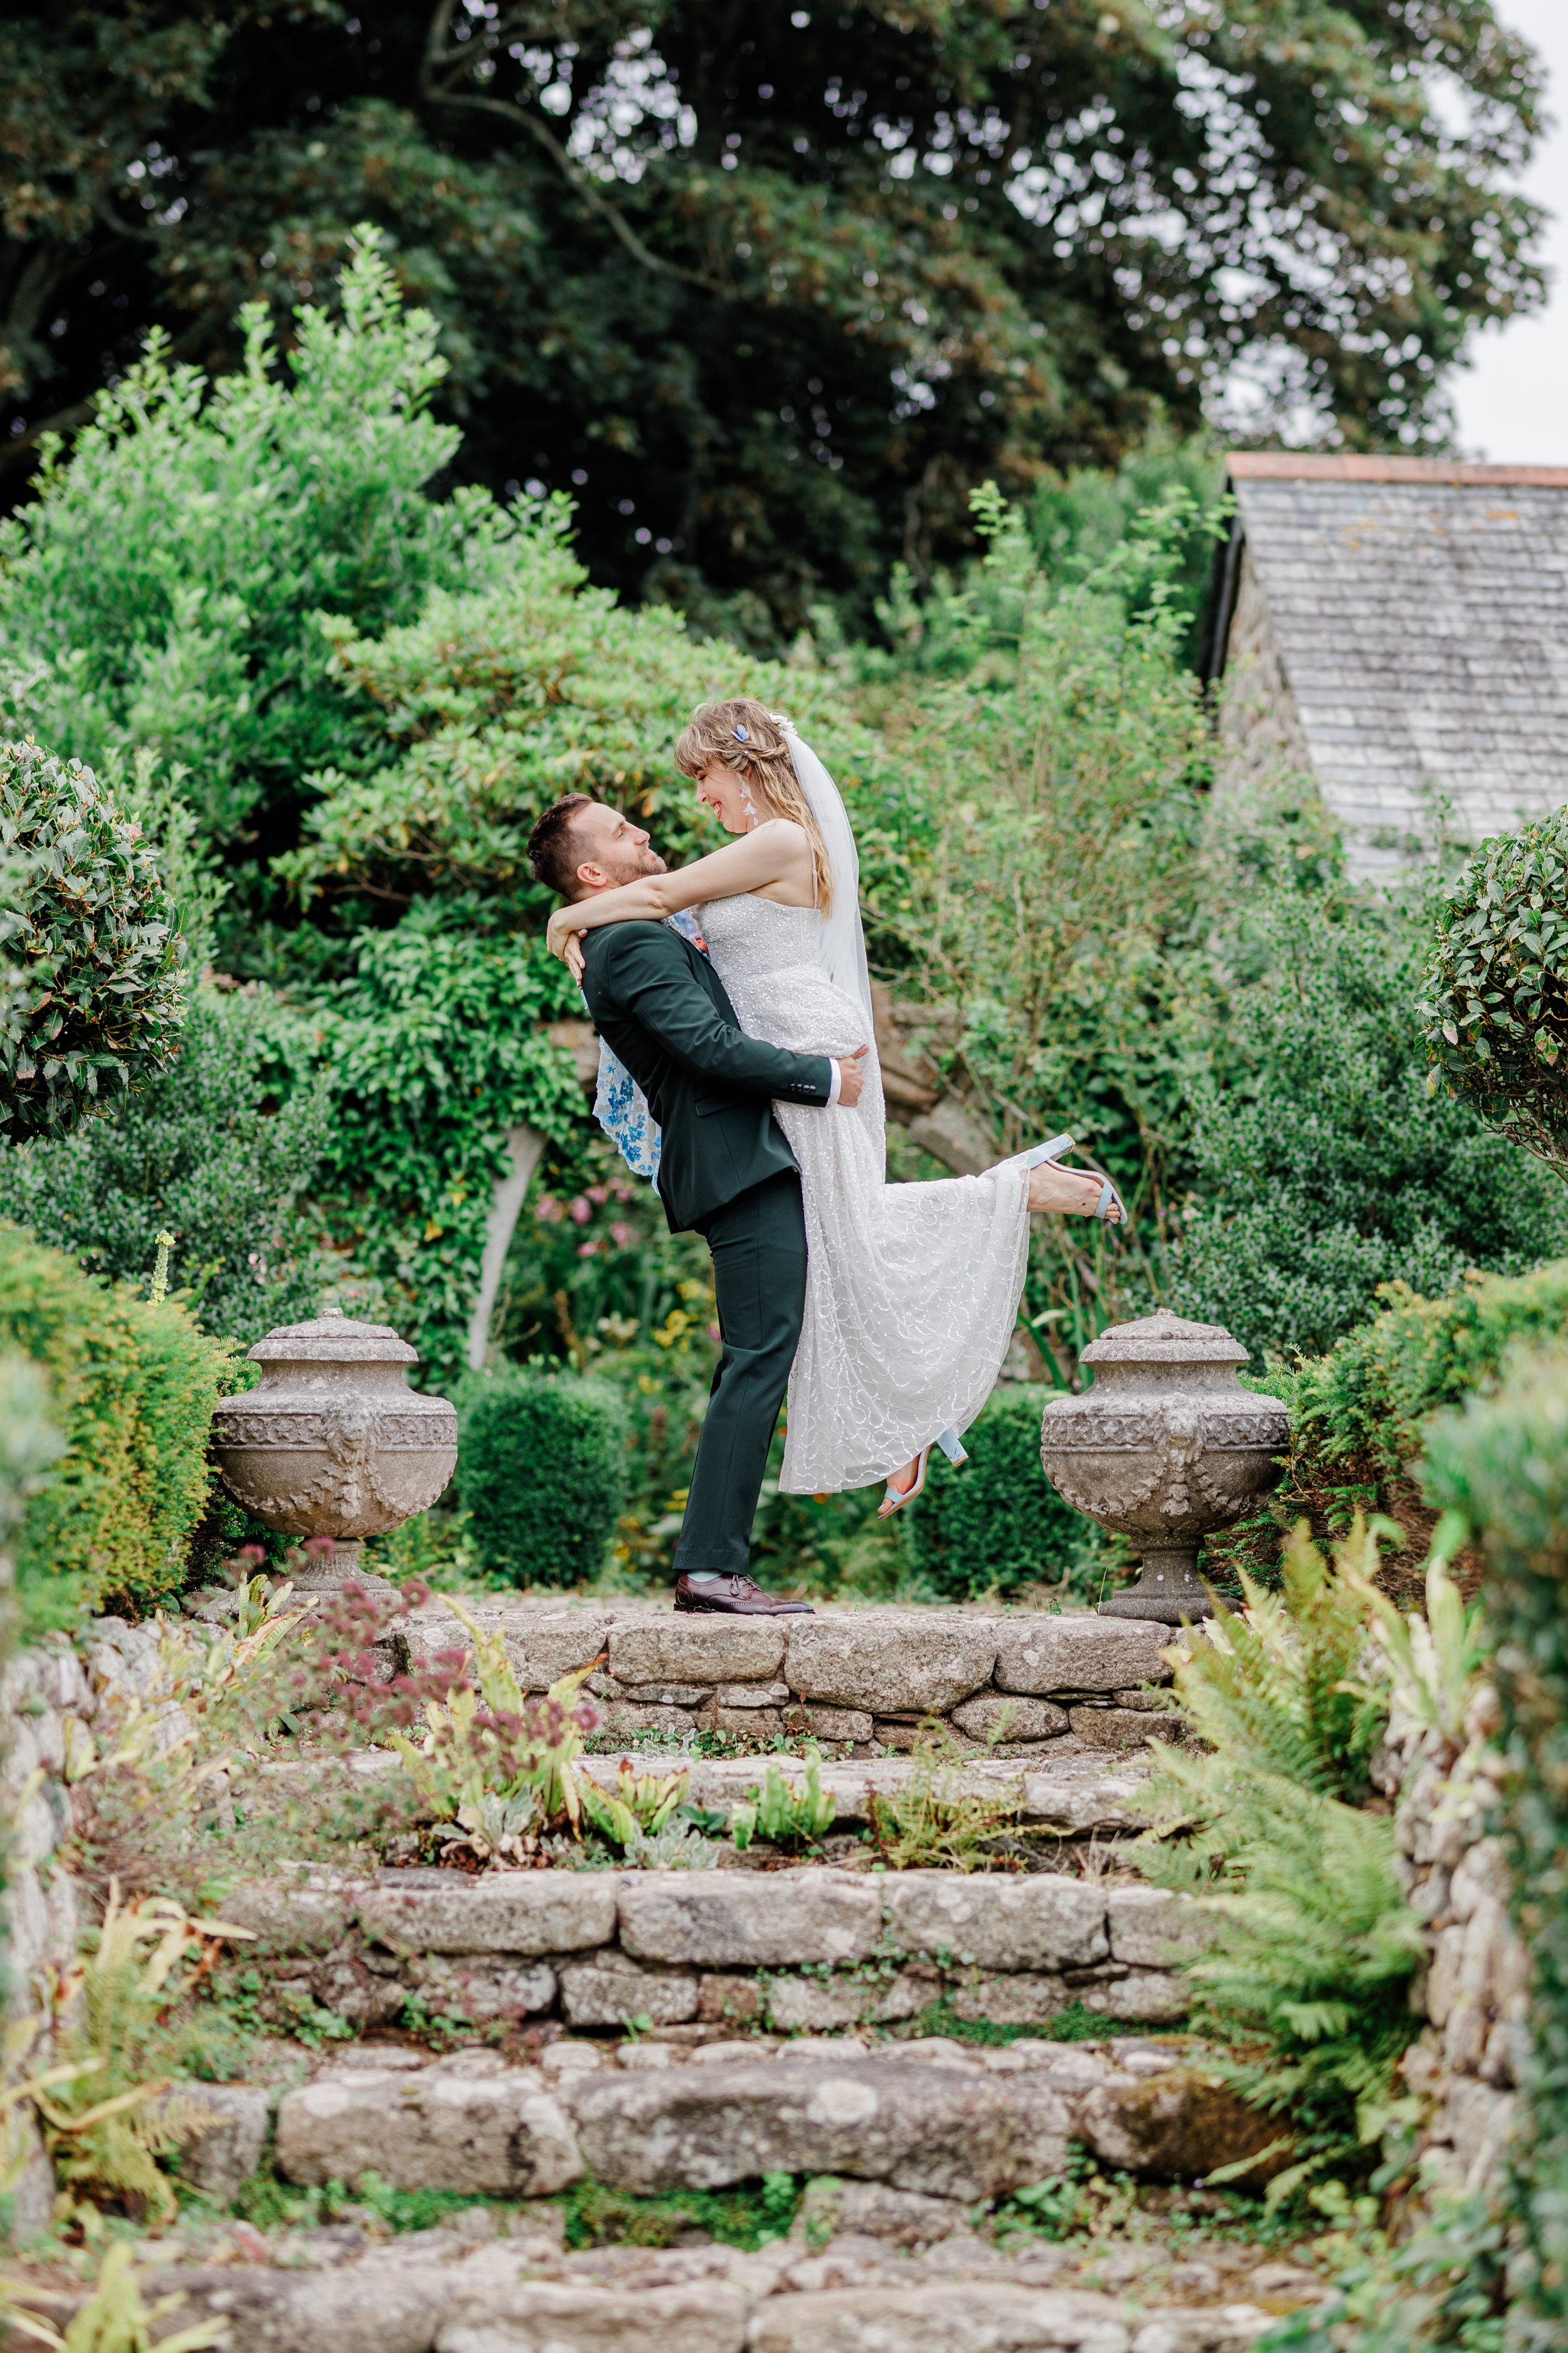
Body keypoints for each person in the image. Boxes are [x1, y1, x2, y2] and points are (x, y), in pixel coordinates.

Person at [541, 697, 1121, 1536]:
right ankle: (909, 1414)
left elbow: (663, 895)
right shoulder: (752, 847)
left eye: (702, 777)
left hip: (804, 1045)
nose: (699, 797)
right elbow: (669, 914)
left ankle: (1004, 1214)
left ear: (739, 765)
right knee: (830, 1234)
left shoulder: (777, 838)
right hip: (781, 1046)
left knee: (840, 1228)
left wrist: (566, 917)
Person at [527, 791, 867, 1617]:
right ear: (594, 871)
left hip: (740, 1159)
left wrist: (559, 921)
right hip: (733, 1164)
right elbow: (709, 1049)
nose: (643, 830)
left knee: (753, 1357)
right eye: (621, 830)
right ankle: (711, 1570)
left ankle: (711, 1564)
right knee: (758, 1359)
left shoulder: (630, 929)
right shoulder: (631, 943)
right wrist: (825, 1080)